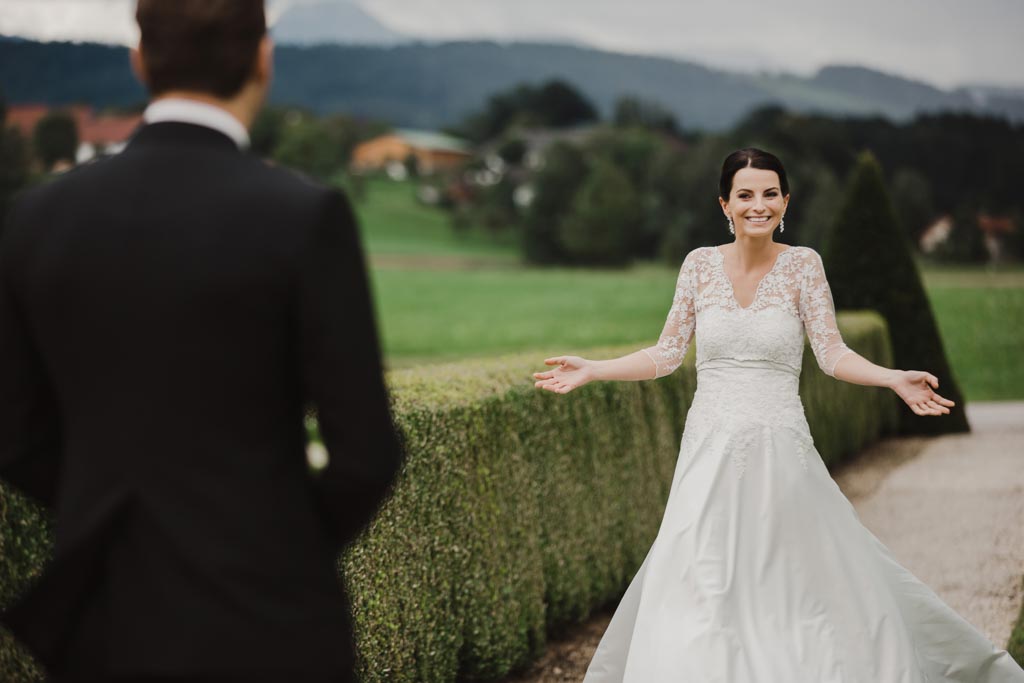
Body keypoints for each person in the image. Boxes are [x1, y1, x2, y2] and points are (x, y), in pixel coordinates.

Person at [0, 1, 403, 681]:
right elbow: (366, 454)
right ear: (263, 60)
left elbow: (13, 434)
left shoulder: (36, 218)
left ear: (138, 59)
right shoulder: (304, 217)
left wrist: (110, 519)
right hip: (270, 626)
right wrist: (276, 547)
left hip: (107, 627)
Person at [534, 148, 1024, 681]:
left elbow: (832, 354)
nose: (758, 205)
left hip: (781, 451)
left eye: (770, 193)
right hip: (708, 451)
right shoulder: (698, 265)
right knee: (699, 576)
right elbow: (668, 353)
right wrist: (595, 369)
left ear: (785, 201)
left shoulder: (803, 266)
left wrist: (891, 378)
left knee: (791, 582)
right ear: (725, 203)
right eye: (745, 194)